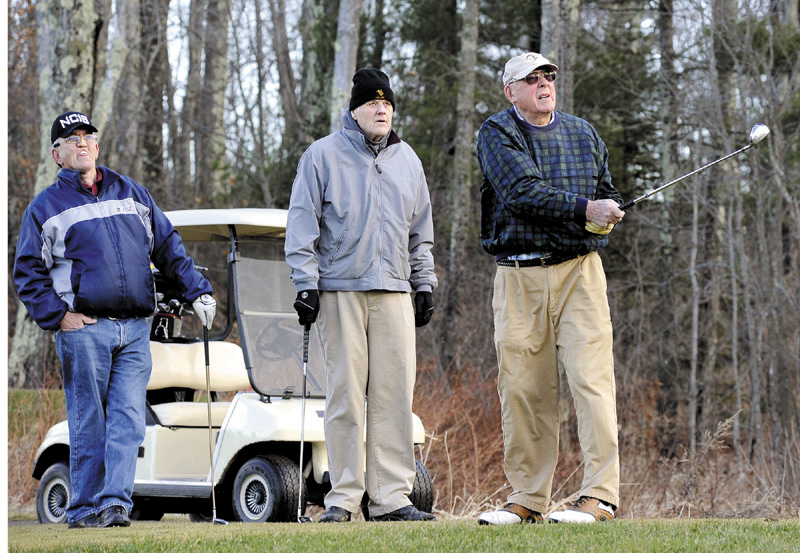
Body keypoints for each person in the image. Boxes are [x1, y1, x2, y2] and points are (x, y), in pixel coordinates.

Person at [13, 111, 217, 529]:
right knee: (90, 420)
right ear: (58, 153)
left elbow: (167, 246)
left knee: (127, 420)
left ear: (97, 145)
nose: (83, 143)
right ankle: (83, 508)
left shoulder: (131, 192)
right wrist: (58, 317)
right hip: (85, 329)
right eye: (73, 139)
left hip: (136, 329)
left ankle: (115, 506)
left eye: (88, 136)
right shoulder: (45, 208)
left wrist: (198, 290)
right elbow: (27, 272)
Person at [475, 53, 625, 525]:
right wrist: (586, 209)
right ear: (511, 91)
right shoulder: (497, 133)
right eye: (532, 79)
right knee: (523, 389)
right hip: (518, 276)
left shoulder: (584, 133)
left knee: (591, 381)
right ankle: (527, 498)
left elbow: (608, 190)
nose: (544, 85)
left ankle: (599, 496)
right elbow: (521, 191)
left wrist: (610, 210)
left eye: (549, 78)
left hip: (581, 272)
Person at [285, 68, 437, 523]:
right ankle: (344, 499)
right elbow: (301, 225)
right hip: (339, 292)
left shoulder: (408, 160)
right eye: (372, 103)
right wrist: (305, 284)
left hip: (394, 291)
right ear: (354, 110)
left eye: (387, 104)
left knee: (394, 399)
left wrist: (424, 283)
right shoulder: (322, 156)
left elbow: (421, 230)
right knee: (346, 397)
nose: (381, 109)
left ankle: (391, 498)